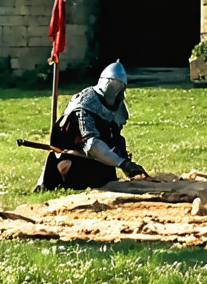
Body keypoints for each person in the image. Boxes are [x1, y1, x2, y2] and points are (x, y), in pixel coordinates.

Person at [39, 61, 147, 190]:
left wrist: (125, 161)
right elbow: (91, 143)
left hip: (99, 159)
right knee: (67, 165)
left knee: (106, 175)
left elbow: (116, 137)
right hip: (70, 157)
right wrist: (122, 163)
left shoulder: (118, 105)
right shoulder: (86, 102)